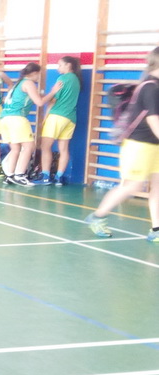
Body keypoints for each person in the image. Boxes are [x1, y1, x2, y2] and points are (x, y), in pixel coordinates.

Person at [85, 47, 159, 242]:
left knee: (157, 186)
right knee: (132, 186)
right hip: (139, 145)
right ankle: (97, 216)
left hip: (155, 145)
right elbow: (153, 120)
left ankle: (156, 229)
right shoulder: (151, 87)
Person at [0, 62, 47, 186]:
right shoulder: (28, 83)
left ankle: (10, 175)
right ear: (34, 73)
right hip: (17, 118)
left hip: (4, 118)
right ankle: (19, 175)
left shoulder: (18, 84)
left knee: (15, 149)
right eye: (38, 74)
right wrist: (53, 92)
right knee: (29, 147)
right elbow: (40, 102)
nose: (39, 77)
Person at [39, 55, 82, 185]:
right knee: (64, 149)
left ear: (68, 65)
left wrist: (45, 117)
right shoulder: (77, 80)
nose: (58, 68)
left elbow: (53, 100)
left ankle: (45, 176)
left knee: (45, 147)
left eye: (60, 65)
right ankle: (59, 177)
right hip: (70, 118)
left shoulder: (62, 79)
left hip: (57, 116)